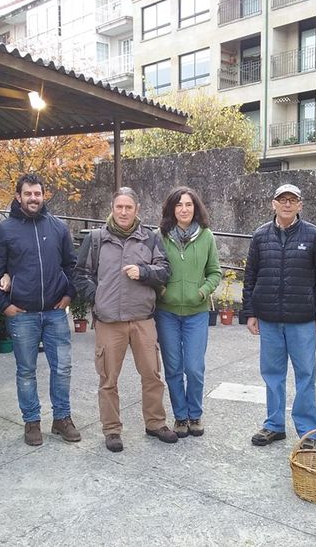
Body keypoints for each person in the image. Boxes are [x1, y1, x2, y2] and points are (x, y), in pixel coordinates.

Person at [74, 187, 176, 452]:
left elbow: (165, 271)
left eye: (128, 207)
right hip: (109, 322)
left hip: (142, 319)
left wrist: (143, 272)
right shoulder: (96, 239)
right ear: (112, 207)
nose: (123, 212)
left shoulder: (150, 238)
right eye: (119, 207)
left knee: (152, 375)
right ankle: (112, 430)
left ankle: (155, 423)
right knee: (108, 379)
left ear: (137, 209)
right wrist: (98, 298)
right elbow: (80, 275)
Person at [0, 174, 80, 446]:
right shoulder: (5, 230)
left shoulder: (58, 227)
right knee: (26, 371)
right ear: (18, 196)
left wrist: (68, 295)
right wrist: (5, 306)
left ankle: (61, 418)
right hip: (22, 315)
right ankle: (32, 421)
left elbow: (71, 265)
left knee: (62, 368)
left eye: (37, 194)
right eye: (27, 194)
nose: (33, 198)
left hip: (54, 313)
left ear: (44, 195)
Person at [243, 184, 316, 449]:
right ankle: (273, 425)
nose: (286, 204)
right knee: (272, 374)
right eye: (282, 199)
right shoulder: (260, 236)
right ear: (273, 203)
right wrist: (250, 313)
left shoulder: (314, 235)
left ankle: (308, 432)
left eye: (292, 200)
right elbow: (250, 277)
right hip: (269, 317)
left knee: (305, 375)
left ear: (300, 205)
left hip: (303, 319)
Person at [155, 186, 221, 438]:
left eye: (189, 204)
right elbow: (151, 268)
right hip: (167, 313)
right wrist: (162, 291)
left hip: (197, 312)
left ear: (196, 208)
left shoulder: (206, 236)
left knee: (194, 367)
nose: (184, 209)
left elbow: (215, 272)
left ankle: (195, 414)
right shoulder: (158, 235)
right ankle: (180, 417)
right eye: (179, 204)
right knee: (173, 367)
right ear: (172, 208)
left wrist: (202, 292)